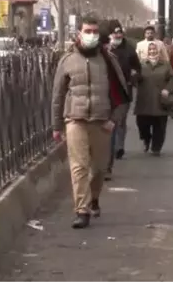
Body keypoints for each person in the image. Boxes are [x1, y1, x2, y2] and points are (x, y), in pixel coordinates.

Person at [51, 16, 129, 229]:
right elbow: (57, 95)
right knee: (79, 166)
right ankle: (81, 210)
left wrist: (114, 121)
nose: (92, 35)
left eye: (95, 31)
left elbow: (122, 96)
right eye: (88, 31)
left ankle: (94, 198)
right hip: (75, 120)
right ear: (79, 33)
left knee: (99, 168)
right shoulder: (67, 60)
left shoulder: (108, 60)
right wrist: (56, 126)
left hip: (102, 121)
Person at [105, 20, 141, 180]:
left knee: (119, 121)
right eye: (114, 33)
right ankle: (109, 156)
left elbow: (138, 68)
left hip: (124, 91)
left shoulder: (129, 50)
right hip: (107, 93)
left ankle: (119, 147)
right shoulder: (105, 50)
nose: (117, 35)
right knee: (110, 125)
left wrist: (134, 77)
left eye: (119, 33)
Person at [134, 42, 173, 156]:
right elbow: (134, 80)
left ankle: (156, 147)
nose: (152, 52)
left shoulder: (166, 65)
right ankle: (146, 139)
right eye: (150, 50)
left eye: (155, 50)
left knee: (160, 126)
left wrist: (168, 89)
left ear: (159, 51)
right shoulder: (141, 65)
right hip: (144, 101)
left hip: (160, 101)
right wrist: (134, 76)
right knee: (142, 124)